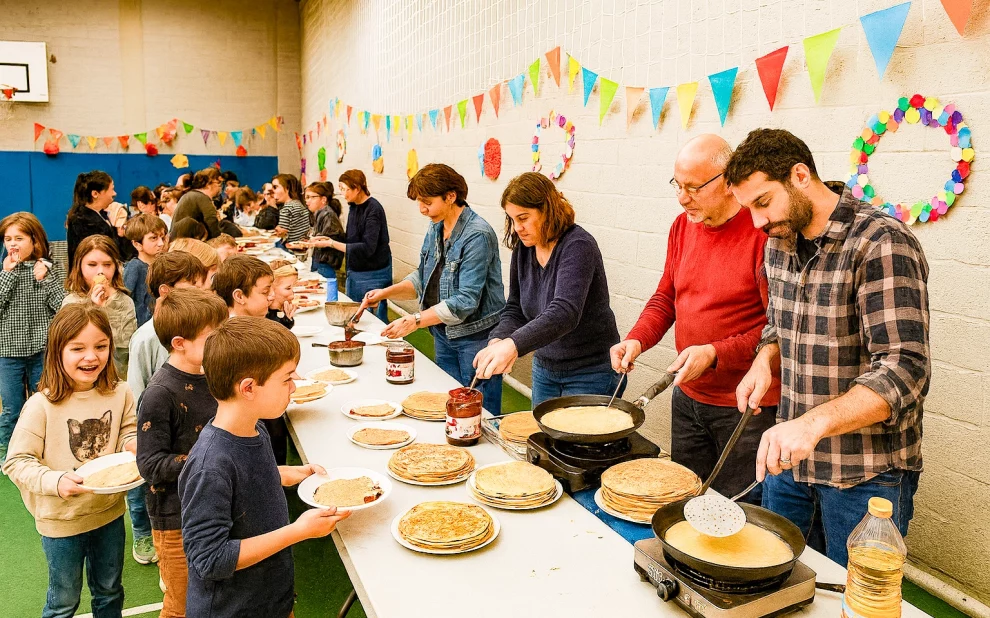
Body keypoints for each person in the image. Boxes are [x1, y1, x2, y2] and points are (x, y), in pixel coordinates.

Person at [727, 128, 930, 566]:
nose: (757, 222)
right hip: (791, 465)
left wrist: (811, 425)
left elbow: (905, 370)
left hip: (866, 475)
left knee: (851, 598)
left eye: (762, 202)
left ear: (800, 176)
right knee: (776, 579)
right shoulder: (778, 241)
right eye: (748, 209)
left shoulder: (880, 242)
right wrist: (765, 357)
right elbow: (778, 322)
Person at [609, 135, 780, 504]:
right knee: (685, 501)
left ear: (728, 181)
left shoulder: (762, 233)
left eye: (693, 188)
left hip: (745, 408)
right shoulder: (682, 226)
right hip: (687, 397)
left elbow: (778, 329)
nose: (682, 197)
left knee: (735, 513)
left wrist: (715, 353)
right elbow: (666, 297)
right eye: (677, 185)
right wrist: (637, 339)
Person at [179, 317, 349, 618]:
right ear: (248, 388)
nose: (294, 387)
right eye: (286, 379)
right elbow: (210, 559)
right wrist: (298, 531)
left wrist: (282, 473)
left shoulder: (255, 427)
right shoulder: (210, 466)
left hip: (270, 602)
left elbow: (244, 483)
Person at [2, 302, 137, 618]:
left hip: (108, 513)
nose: (92, 356)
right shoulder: (42, 405)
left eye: (100, 346)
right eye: (78, 348)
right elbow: (16, 461)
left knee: (110, 593)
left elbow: (128, 430)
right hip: (60, 521)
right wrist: (56, 480)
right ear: (57, 352)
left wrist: (133, 443)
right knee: (64, 602)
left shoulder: (121, 392)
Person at [364, 164, 505, 413]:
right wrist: (386, 292)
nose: (422, 209)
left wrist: (415, 320)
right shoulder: (436, 227)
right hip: (443, 333)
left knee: (478, 412)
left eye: (427, 202)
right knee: (445, 405)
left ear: (451, 196)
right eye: (419, 201)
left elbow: (465, 301)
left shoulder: (477, 235)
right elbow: (423, 277)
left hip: (474, 337)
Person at [474, 172, 622, 407]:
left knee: (578, 441)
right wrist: (498, 340)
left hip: (590, 370)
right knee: (544, 438)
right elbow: (515, 308)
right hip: (546, 367)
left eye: (523, 218)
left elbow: (565, 312)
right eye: (511, 219)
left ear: (548, 210)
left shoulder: (577, 245)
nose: (517, 228)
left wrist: (513, 345)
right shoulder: (524, 249)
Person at [136, 288, 228, 618]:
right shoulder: (160, 393)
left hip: (216, 509)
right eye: (213, 337)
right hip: (176, 520)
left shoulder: (211, 373)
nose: (222, 342)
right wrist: (208, 461)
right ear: (179, 343)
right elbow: (148, 463)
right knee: (183, 605)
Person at [0, 213, 65, 463]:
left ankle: (43, 450)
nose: (13, 244)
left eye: (19, 238)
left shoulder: (48, 268)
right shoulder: (4, 271)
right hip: (9, 352)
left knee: (44, 402)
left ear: (34, 240)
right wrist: (7, 274)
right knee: (11, 408)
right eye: (8, 239)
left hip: (42, 350)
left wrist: (45, 279)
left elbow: (62, 307)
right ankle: (9, 454)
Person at [127, 251, 211, 398]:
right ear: (165, 291)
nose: (200, 292)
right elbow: (137, 389)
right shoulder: (146, 337)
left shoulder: (203, 329)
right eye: (192, 285)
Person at [321, 170, 392, 321]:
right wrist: (327, 239)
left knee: (375, 320)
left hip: (373, 273)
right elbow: (351, 239)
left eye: (345, 189)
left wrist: (332, 244)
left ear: (357, 188)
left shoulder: (373, 209)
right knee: (354, 317)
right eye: (340, 189)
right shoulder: (353, 206)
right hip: (355, 270)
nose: (342, 193)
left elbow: (368, 248)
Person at [63, 236, 137, 379]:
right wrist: (93, 308)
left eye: (107, 264)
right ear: (79, 266)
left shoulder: (124, 302)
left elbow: (126, 350)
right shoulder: (71, 302)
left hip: (116, 377)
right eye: (92, 265)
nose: (100, 271)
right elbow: (68, 345)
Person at [66, 170, 119, 270]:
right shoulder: (83, 221)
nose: (114, 194)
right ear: (95, 193)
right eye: (111, 190)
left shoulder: (101, 215)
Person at [122, 214, 168, 327]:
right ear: (137, 244)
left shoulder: (163, 266)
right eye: (154, 238)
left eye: (162, 238)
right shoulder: (134, 267)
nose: (161, 243)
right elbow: (125, 300)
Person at [302, 182, 346, 281]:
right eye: (306, 198)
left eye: (311, 197)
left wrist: (312, 241)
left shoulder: (328, 215)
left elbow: (328, 240)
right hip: (319, 261)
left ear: (323, 199)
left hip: (326, 264)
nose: (307, 201)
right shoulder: (320, 214)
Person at [173, 168, 224, 239]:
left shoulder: (192, 195)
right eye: (218, 183)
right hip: (186, 243)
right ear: (208, 183)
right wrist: (220, 240)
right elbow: (211, 221)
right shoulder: (202, 198)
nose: (220, 187)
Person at [272, 174, 310, 246]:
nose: (273, 191)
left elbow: (280, 234)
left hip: (291, 249)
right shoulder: (299, 203)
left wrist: (278, 230)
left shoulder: (287, 208)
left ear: (287, 188)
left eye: (275, 187)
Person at [267, 259, 298, 330]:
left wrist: (288, 320)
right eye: (288, 288)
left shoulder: (282, 311)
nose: (292, 295)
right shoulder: (263, 313)